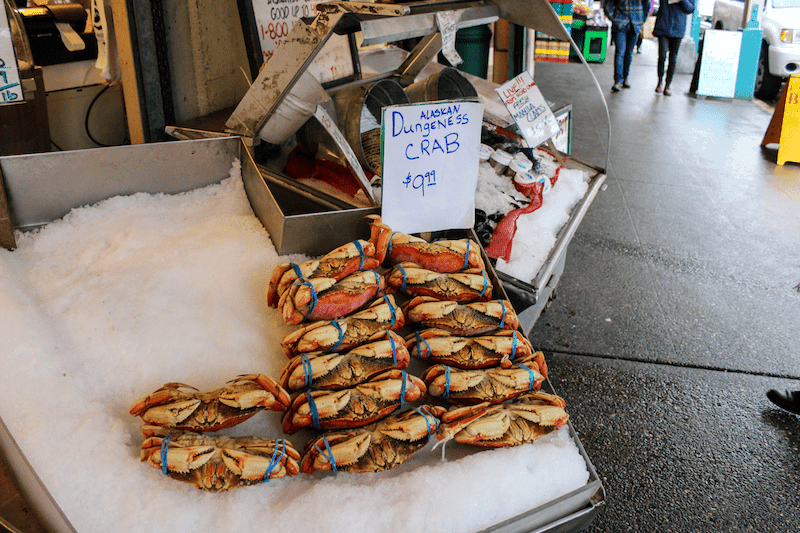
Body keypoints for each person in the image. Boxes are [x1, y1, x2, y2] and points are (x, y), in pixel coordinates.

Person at [604, 0, 651, 92]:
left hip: (635, 25)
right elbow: (608, 5)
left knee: (629, 53)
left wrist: (641, 21)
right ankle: (618, 80)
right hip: (620, 24)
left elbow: (647, 5)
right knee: (620, 52)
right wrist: (614, 19)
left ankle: (625, 78)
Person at [653, 0, 695, 96]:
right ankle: (659, 81)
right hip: (663, 25)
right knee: (662, 55)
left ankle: (668, 85)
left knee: (673, 58)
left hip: (678, 28)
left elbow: (690, 9)